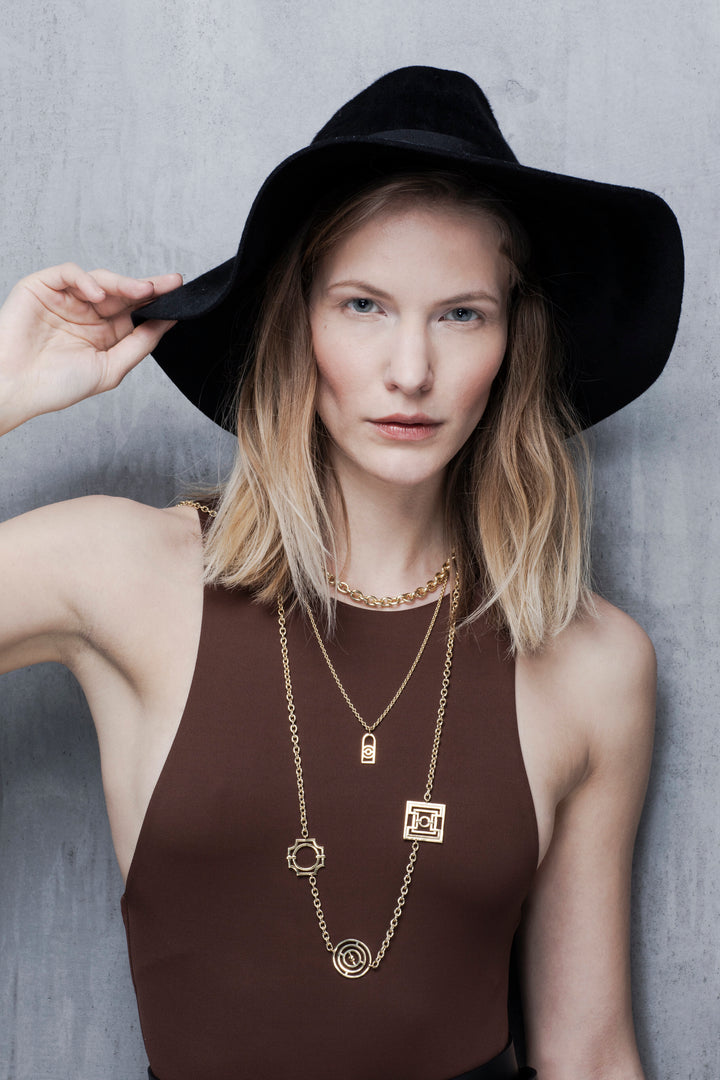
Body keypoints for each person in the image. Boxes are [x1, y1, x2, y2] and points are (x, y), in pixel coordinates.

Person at [0, 66, 683, 1080]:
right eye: (364, 305)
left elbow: (588, 1052)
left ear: (512, 342)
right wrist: (2, 391)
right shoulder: (123, 572)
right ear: (299, 322)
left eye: (461, 314)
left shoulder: (593, 663)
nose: (411, 370)